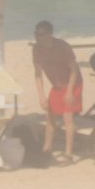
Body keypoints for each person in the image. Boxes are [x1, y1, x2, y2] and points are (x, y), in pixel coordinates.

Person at [32, 19, 82, 162]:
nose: (38, 37)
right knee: (50, 116)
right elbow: (38, 74)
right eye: (36, 34)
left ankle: (68, 153)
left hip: (73, 83)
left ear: (49, 34)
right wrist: (41, 96)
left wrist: (70, 91)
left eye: (41, 34)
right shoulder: (36, 49)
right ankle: (47, 149)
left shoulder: (62, 47)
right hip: (57, 85)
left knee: (67, 117)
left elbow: (74, 70)